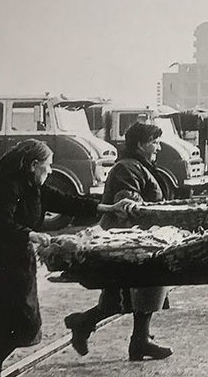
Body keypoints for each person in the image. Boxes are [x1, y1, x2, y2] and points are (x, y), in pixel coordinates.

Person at [0, 139, 134, 377]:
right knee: (12, 323)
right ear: (33, 166)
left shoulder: (32, 186)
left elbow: (67, 201)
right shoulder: (9, 186)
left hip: (15, 259)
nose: (50, 171)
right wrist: (30, 234)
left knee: (14, 323)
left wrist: (108, 208)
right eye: (47, 166)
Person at [64, 122, 174, 361]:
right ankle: (83, 323)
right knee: (122, 297)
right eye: (154, 142)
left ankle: (139, 341)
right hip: (127, 242)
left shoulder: (140, 166)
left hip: (141, 241)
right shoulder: (127, 169)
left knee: (144, 291)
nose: (158, 148)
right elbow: (128, 207)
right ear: (140, 145)